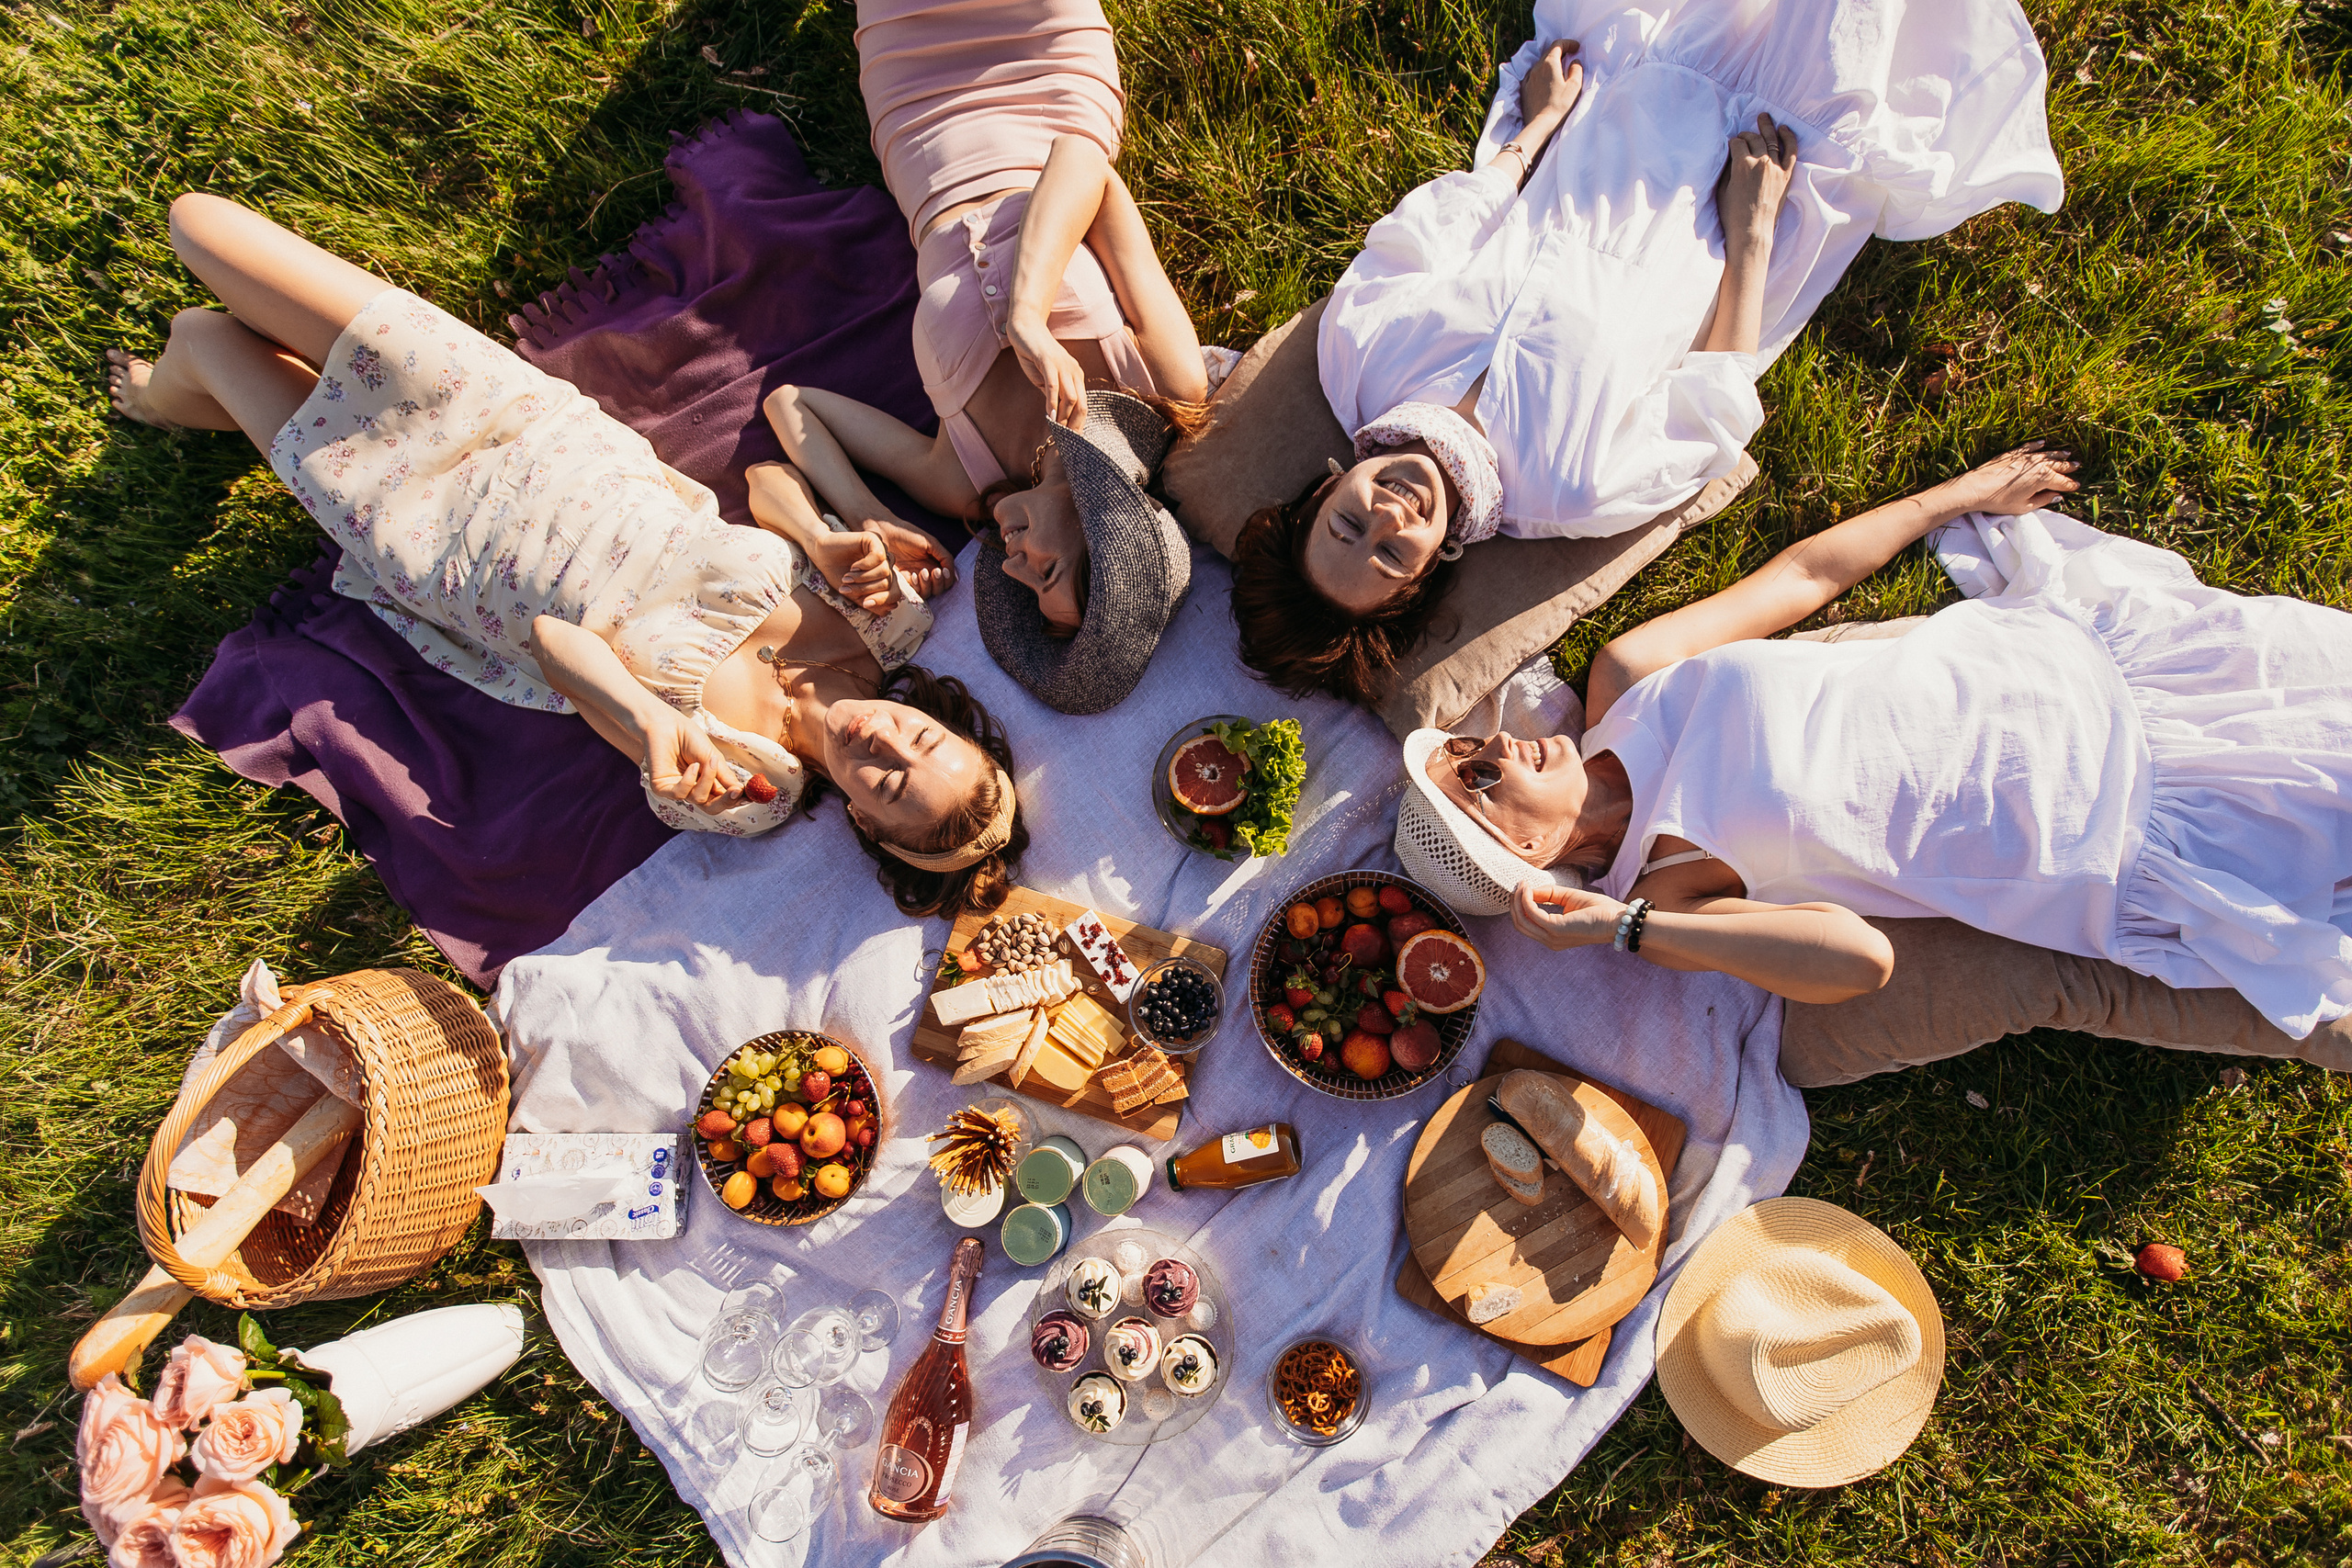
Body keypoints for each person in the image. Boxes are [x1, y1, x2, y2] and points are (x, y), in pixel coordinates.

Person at [107, 194, 1026, 917]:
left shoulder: (743, 781)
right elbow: (763, 492)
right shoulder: (891, 619)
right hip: (532, 434)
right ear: (943, 721)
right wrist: (826, 539)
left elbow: (555, 642)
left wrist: (649, 722)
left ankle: (169, 398)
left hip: (439, 538)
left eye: (892, 787)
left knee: (208, 336)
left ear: (864, 822)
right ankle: (191, 393)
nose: (890, 748)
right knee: (200, 227)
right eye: (925, 742)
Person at [1234, 0, 2066, 705]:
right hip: (1720, 179)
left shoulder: (1357, 361)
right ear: (1423, 576)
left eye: (1348, 522)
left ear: (1324, 489)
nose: (1387, 516)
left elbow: (1449, 219)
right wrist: (1755, 229)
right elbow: (1718, 393)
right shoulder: (1574, 489)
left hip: (1623, 111)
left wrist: (1540, 123)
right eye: (1388, 555)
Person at [1394, 440, 2352, 1042]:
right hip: (2107, 829)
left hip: (2095, 677)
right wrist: (1621, 929)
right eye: (1476, 778)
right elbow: (1858, 963)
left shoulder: (1629, 679)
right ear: (1523, 853)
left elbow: (1803, 575)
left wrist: (1959, 494)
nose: (1496, 747)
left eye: (1467, 745)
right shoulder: (1663, 891)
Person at [758, 0, 1216, 712]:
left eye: (1022, 585)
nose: (1012, 563)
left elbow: (792, 406)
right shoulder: (1160, 383)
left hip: (915, 111)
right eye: (1048, 572)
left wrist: (866, 510)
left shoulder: (967, 477)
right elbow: (1084, 162)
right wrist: (1028, 316)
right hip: (1044, 72)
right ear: (1103, 528)